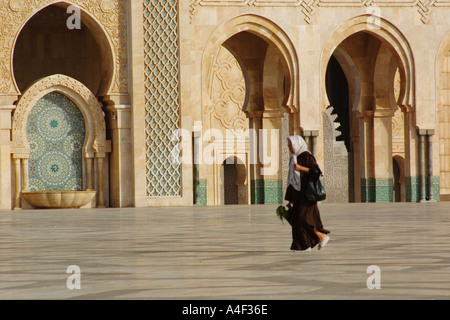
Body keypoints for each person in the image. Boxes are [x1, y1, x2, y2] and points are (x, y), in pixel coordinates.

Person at [285, 135, 330, 252]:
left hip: (306, 195)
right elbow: (292, 179)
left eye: (290, 144)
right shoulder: (294, 158)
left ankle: (321, 236)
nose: (289, 147)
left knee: (303, 219)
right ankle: (301, 246)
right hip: (297, 194)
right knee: (296, 220)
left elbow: (317, 172)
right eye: (289, 144)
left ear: (297, 144)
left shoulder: (307, 157)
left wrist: (300, 168)